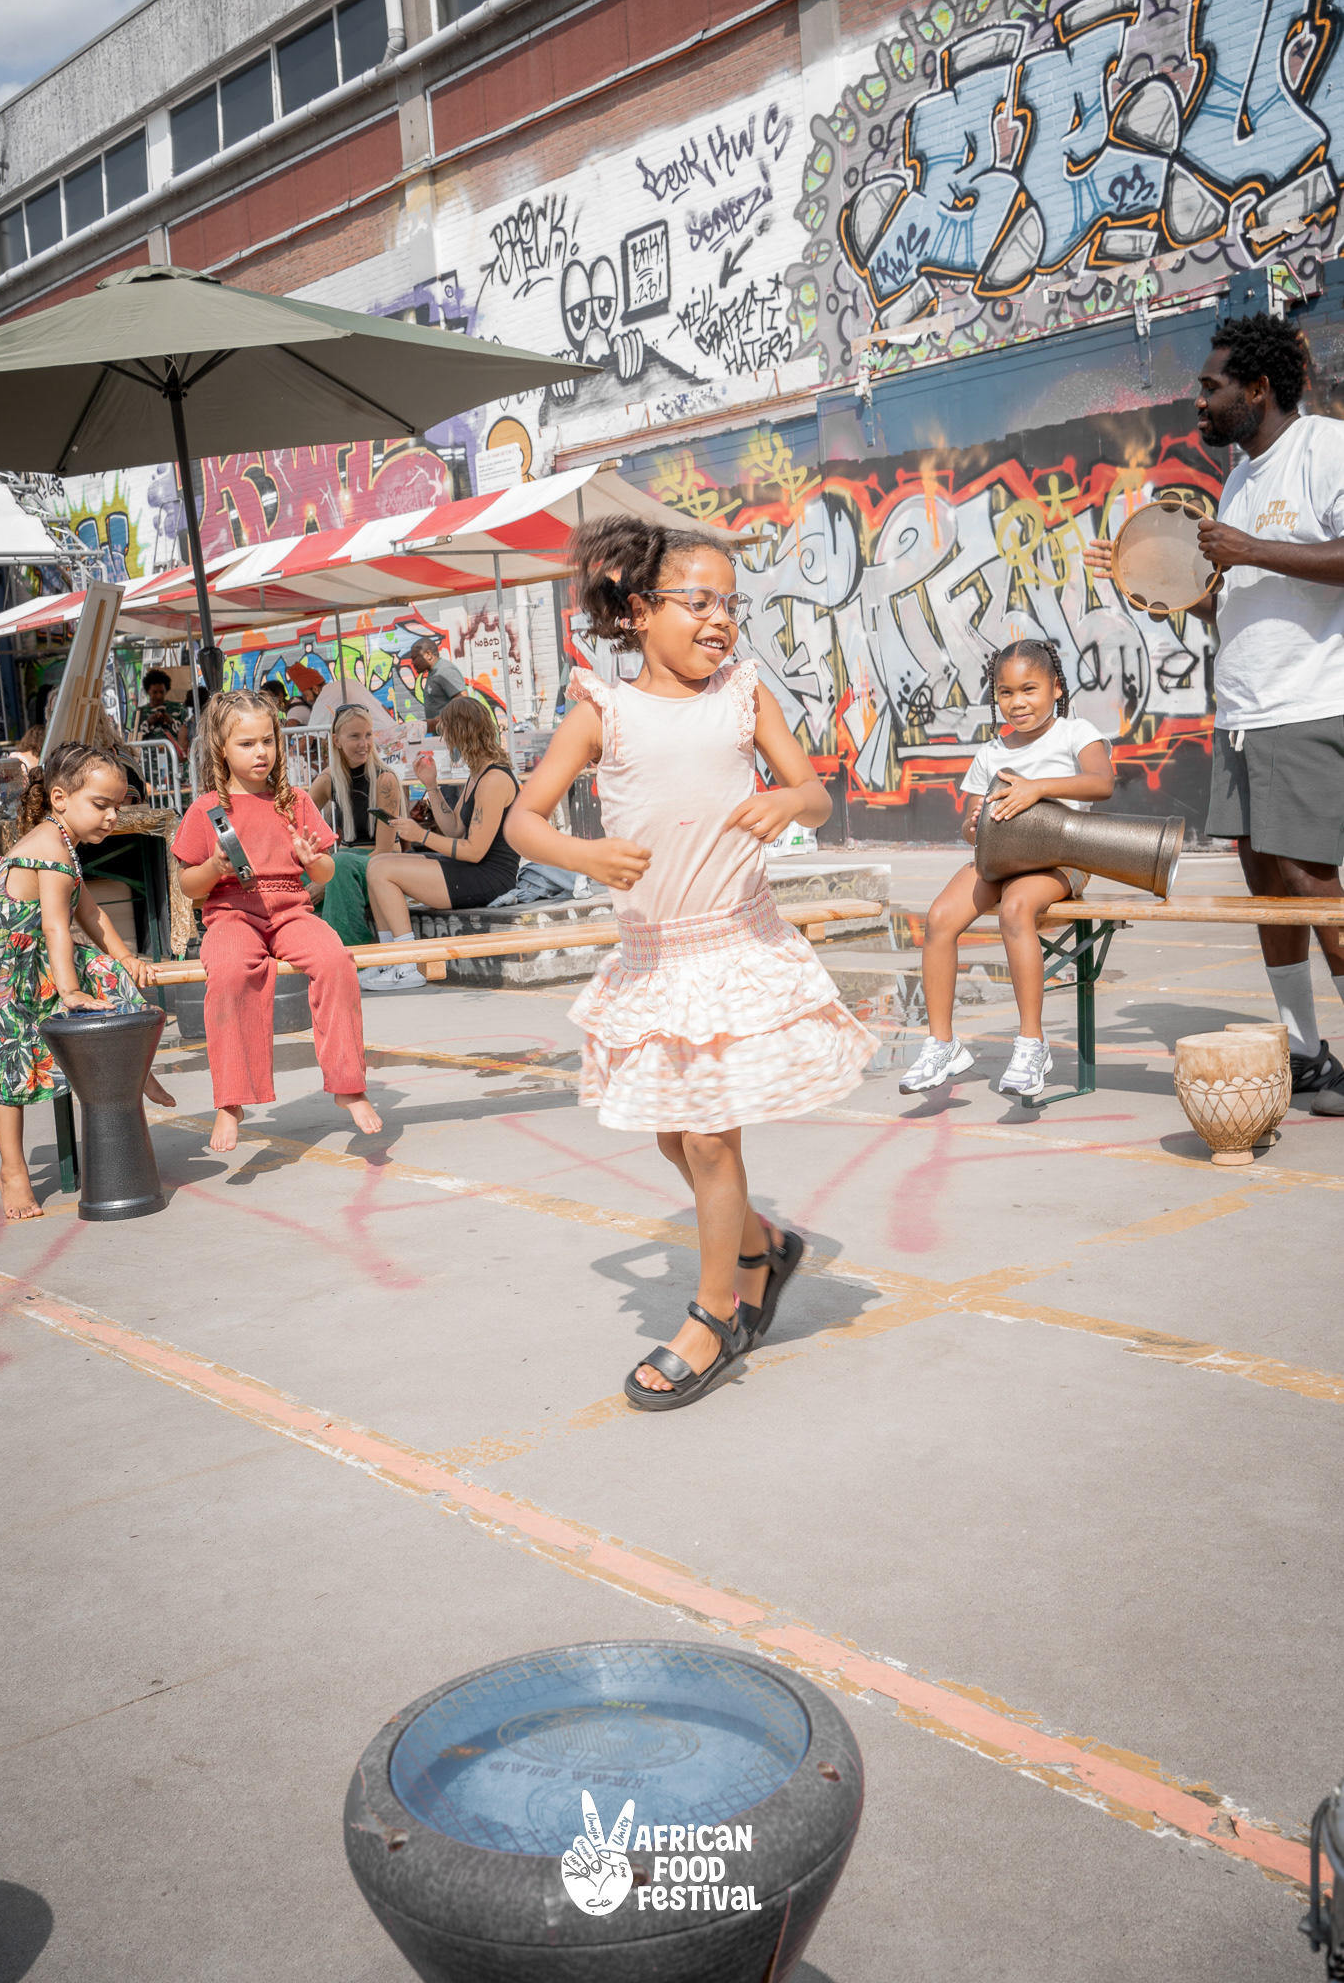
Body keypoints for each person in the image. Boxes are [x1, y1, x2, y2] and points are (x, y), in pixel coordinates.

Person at [503, 515, 876, 1410]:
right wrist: (583, 855)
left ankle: (715, 1314)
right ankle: (762, 1244)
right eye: (698, 602)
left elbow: (815, 795)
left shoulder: (743, 696)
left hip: (732, 945)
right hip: (653, 956)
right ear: (638, 611)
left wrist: (786, 800)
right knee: (676, 1134)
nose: (720, 620)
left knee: (707, 1136)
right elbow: (522, 820)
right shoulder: (601, 711)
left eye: (730, 605)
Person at [1087, 313, 1344, 1116]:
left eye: (1210, 387)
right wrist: (1152, 584)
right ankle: (1304, 1051)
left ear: (1257, 387)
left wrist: (1250, 549)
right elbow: (1229, 604)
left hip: (1306, 704)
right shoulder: (1239, 479)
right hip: (1241, 712)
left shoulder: (1324, 449)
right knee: (1264, 882)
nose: (1197, 401)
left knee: (1311, 883)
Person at [899, 641, 1115, 1103]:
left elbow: (1102, 783)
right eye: (1005, 692)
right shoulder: (991, 752)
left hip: (1063, 859)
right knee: (939, 918)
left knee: (1016, 908)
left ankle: (1032, 1043)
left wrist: (1037, 788)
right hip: (1000, 859)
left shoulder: (1076, 733)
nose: (1017, 702)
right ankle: (942, 1044)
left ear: (1056, 688)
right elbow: (968, 828)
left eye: (1029, 689)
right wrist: (974, 824)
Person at [173, 691, 381, 1153]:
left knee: (335, 960)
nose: (261, 752)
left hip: (291, 910)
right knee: (229, 972)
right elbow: (188, 885)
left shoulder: (295, 801)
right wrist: (213, 868)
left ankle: (348, 1084)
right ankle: (231, 1100)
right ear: (221, 748)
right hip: (231, 913)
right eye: (246, 743)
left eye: (267, 741)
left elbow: (325, 872)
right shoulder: (206, 809)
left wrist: (313, 861)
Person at [0, 742, 174, 1220]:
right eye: (101, 804)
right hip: (2, 969)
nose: (112, 817)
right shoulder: (49, 847)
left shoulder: (64, 843)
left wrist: (125, 957)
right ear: (60, 799)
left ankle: (135, 1066)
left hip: (36, 955)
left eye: (118, 806)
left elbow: (89, 912)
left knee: (108, 970)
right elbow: (55, 926)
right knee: (9, 1062)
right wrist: (68, 991)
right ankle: (13, 1169)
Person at [361, 693, 520, 989]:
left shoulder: (494, 779)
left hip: (489, 877)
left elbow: (474, 851)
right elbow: (455, 829)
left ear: (461, 732)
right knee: (377, 863)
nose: (443, 739)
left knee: (382, 870)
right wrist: (432, 786)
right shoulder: (477, 774)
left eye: (446, 731)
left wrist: (420, 835)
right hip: (473, 869)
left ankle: (407, 964)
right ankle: (389, 959)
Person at [308, 703, 403, 946]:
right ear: (337, 741)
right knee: (293, 874)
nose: (364, 744)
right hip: (346, 865)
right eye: (354, 736)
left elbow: (384, 851)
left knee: (340, 865)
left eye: (368, 735)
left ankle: (352, 952)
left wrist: (327, 881)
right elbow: (299, 820)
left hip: (382, 864)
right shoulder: (328, 779)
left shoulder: (385, 780)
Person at [409, 636, 466, 731]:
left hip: (453, 736)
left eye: (415, 658)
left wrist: (434, 723)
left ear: (428, 654)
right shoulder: (434, 671)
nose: (412, 662)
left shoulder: (445, 670)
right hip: (444, 736)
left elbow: (464, 704)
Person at [132, 669, 190, 760]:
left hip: (174, 762)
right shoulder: (139, 713)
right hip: (148, 763)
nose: (158, 696)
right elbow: (134, 737)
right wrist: (148, 723)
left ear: (166, 691)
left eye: (162, 692)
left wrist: (171, 722)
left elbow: (187, 733)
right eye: (155, 692)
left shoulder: (178, 708)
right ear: (148, 691)